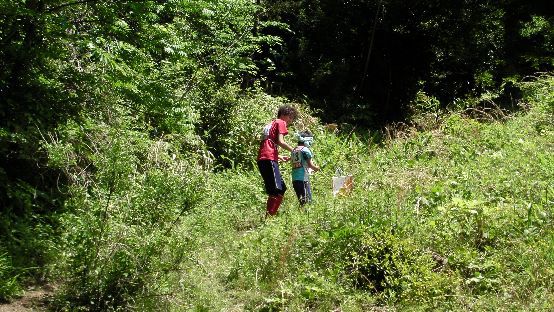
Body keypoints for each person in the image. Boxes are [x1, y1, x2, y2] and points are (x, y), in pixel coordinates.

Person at [257, 105, 298, 216]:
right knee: (276, 190)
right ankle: (269, 217)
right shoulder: (280, 122)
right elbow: (280, 141)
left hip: (263, 159)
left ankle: (270, 215)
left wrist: (278, 156)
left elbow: (267, 143)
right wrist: (294, 151)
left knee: (281, 188)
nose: (290, 121)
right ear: (284, 115)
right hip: (269, 158)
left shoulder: (270, 124)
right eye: (290, 118)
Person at [291, 130, 320, 206]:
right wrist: (316, 168)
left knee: (301, 201)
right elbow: (310, 165)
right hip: (303, 178)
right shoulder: (305, 150)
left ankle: (301, 214)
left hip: (294, 179)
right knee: (307, 201)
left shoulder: (294, 150)